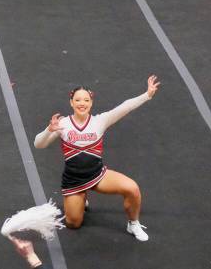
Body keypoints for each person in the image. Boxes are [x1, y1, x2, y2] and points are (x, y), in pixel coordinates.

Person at [33, 76, 160, 241]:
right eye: (77, 100)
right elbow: (38, 144)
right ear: (71, 102)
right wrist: (49, 130)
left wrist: (147, 95)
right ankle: (82, 196)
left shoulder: (100, 121)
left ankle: (133, 223)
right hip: (74, 180)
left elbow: (125, 107)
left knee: (132, 189)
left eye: (86, 100)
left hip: (97, 175)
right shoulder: (62, 124)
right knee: (73, 223)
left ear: (91, 103)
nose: (82, 103)